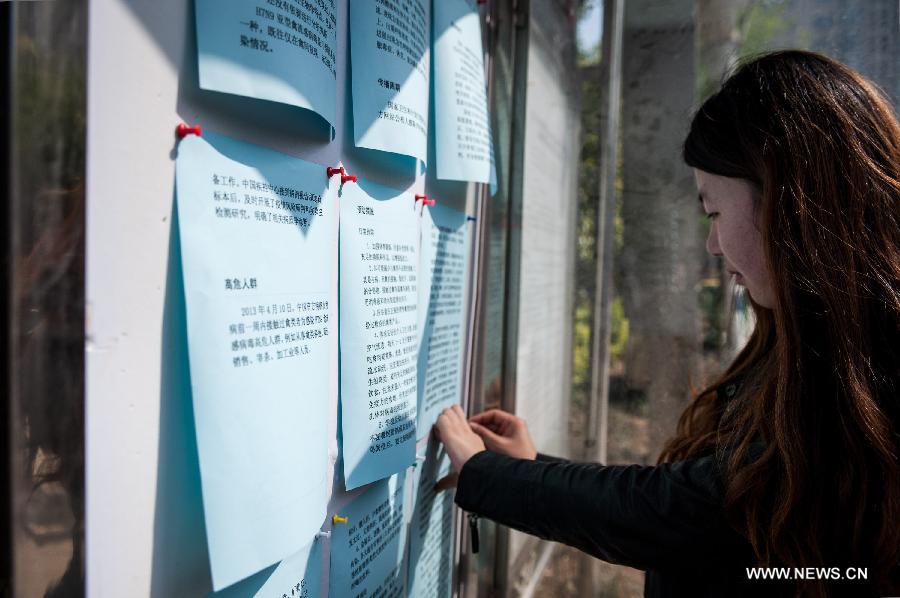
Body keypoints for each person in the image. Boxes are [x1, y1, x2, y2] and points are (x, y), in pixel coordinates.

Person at [434, 50, 900, 597]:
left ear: (786, 203)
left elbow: (690, 513)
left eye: (715, 212)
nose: (712, 244)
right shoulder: (814, 343)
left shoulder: (860, 376)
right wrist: (531, 467)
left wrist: (494, 478)